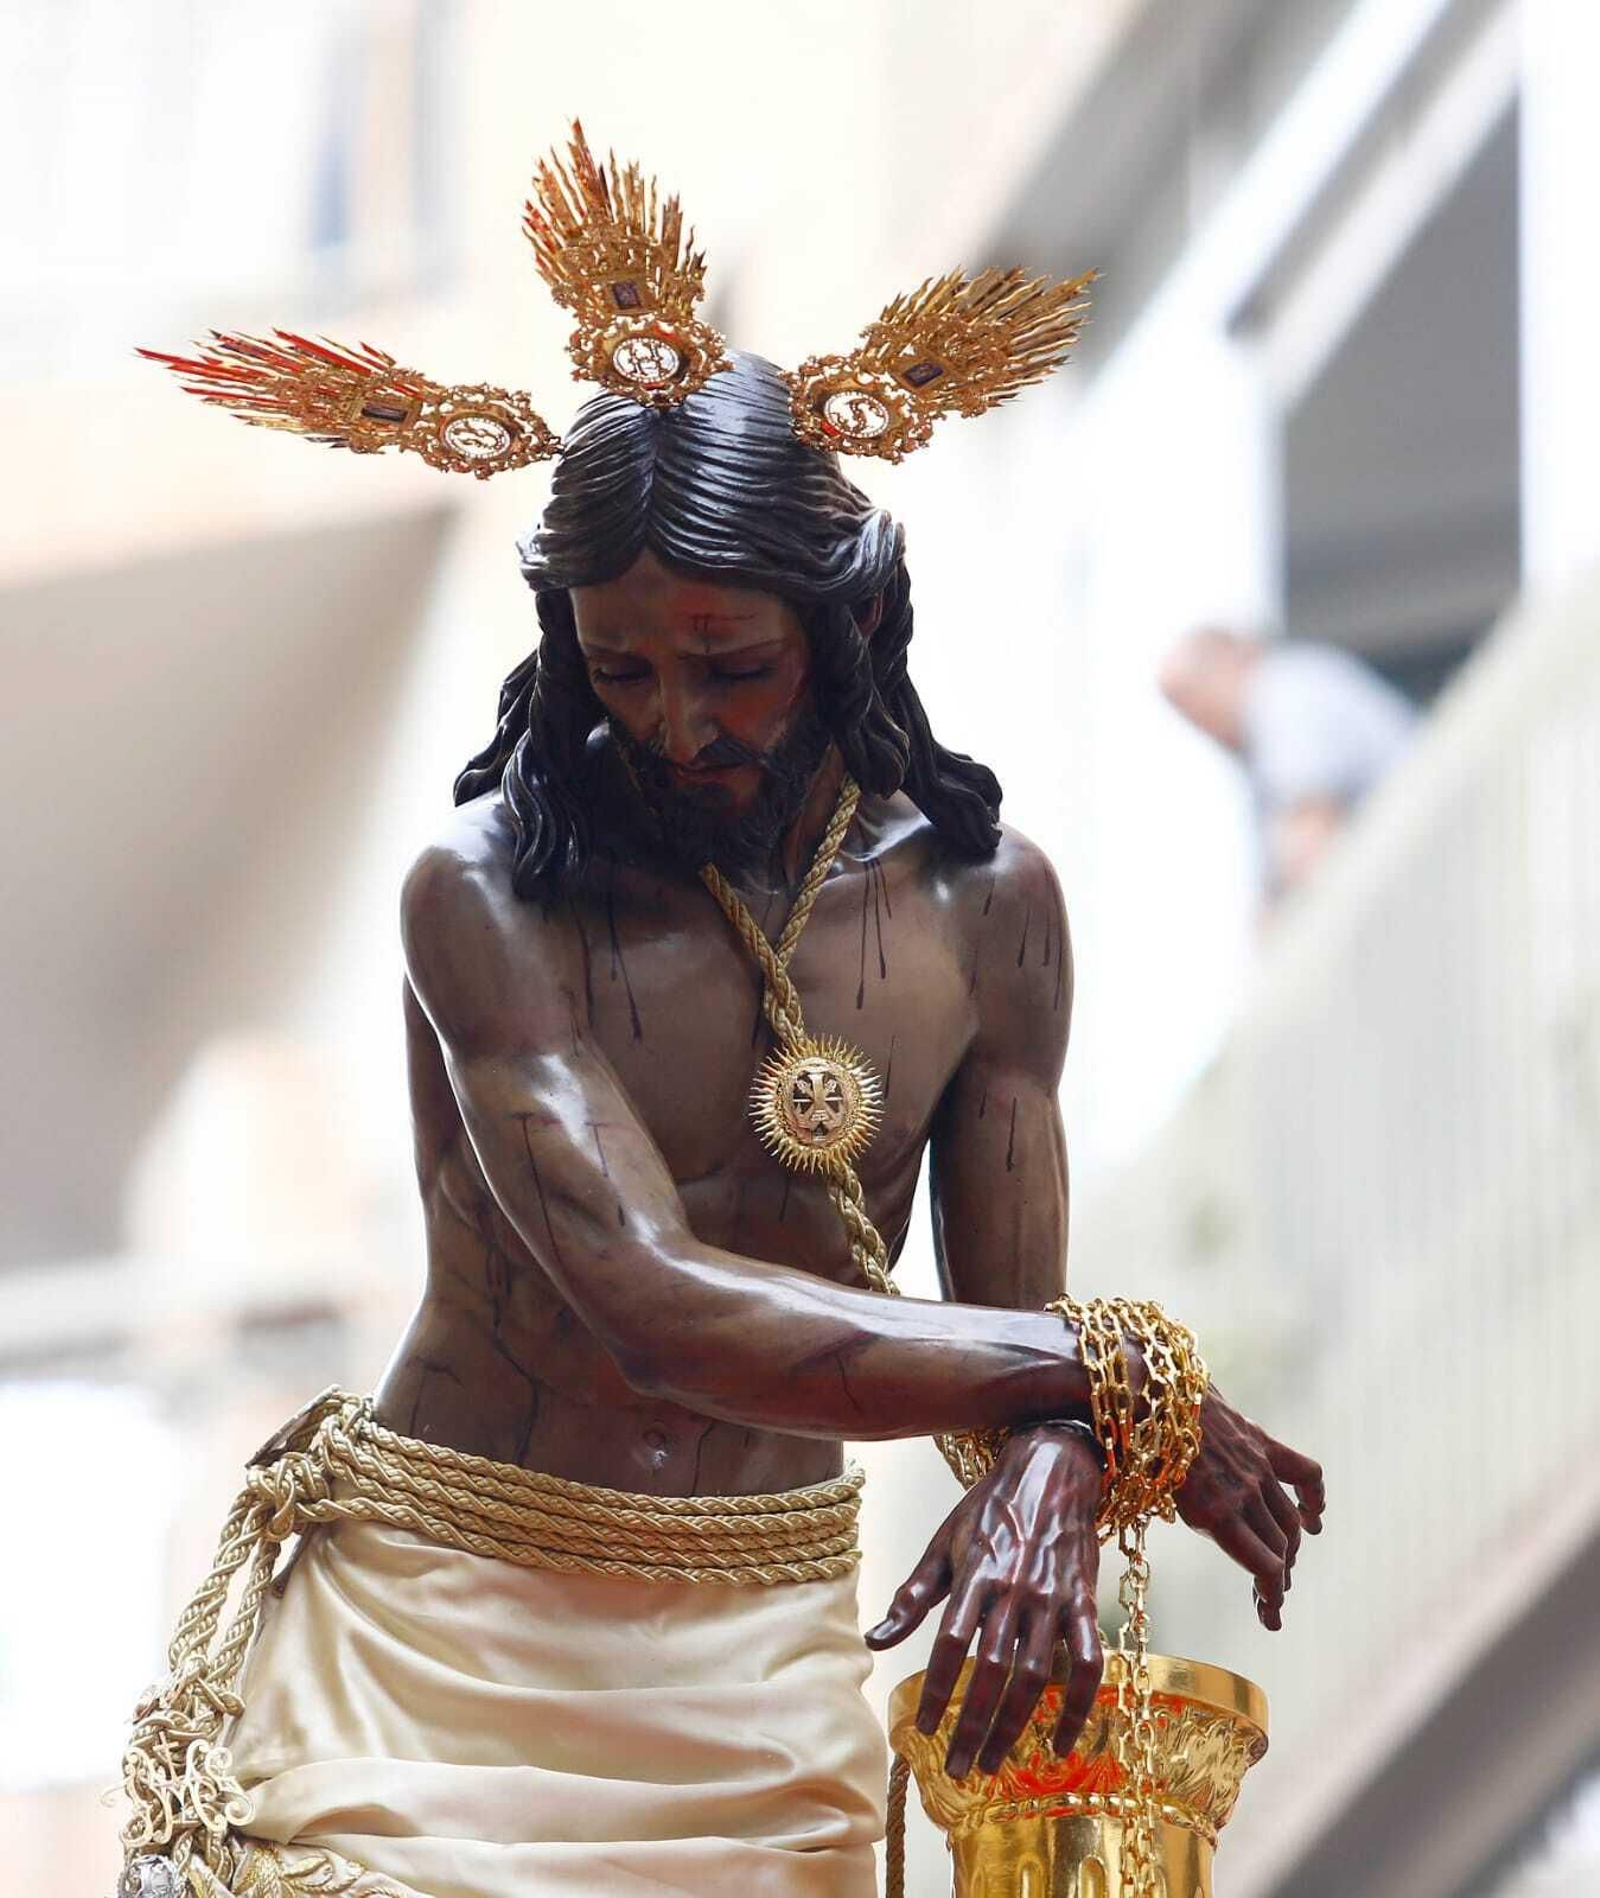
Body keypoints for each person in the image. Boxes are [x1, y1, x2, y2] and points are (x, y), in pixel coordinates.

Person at [121, 131, 1324, 1898]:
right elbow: (651, 1302)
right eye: (622, 667)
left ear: (849, 627)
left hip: (763, 1654)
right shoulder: (491, 896)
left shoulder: (991, 914)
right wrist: (1103, 1377)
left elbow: (1008, 1347)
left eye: (732, 664)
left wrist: (1062, 1457)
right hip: (446, 1631)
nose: (676, 723)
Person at [1160, 624, 1417, 910]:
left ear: (1224, 666)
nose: (1205, 730)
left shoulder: (1281, 697)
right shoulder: (1278, 709)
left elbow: (1311, 835)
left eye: (1196, 706)